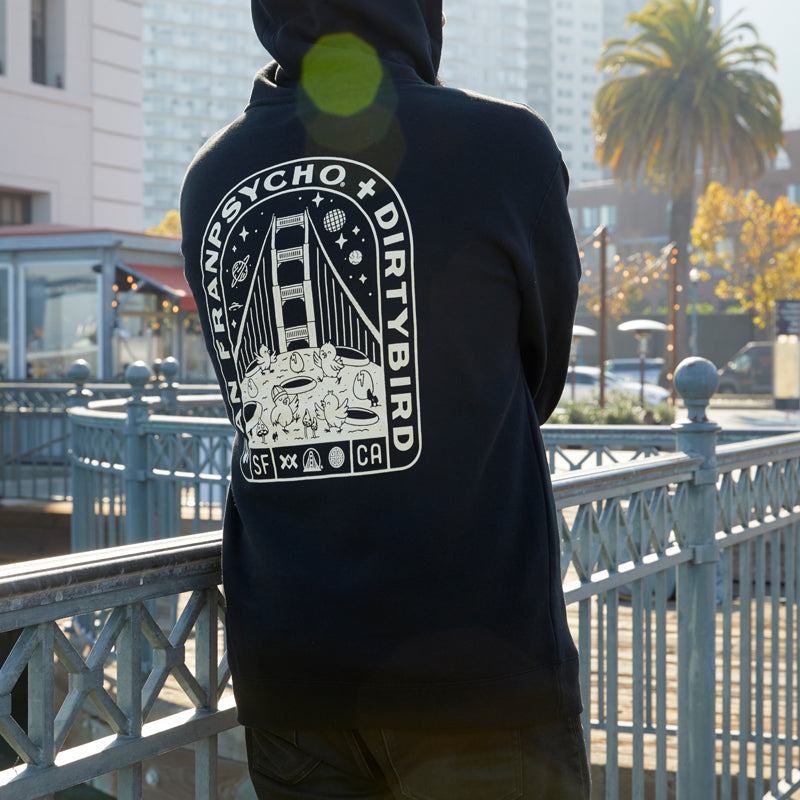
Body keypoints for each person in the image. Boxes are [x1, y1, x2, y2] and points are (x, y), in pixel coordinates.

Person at [181, 0, 587, 797]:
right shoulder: (507, 149)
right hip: (479, 676)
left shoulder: (210, 177)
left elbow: (250, 404)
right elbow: (538, 380)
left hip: (289, 678)